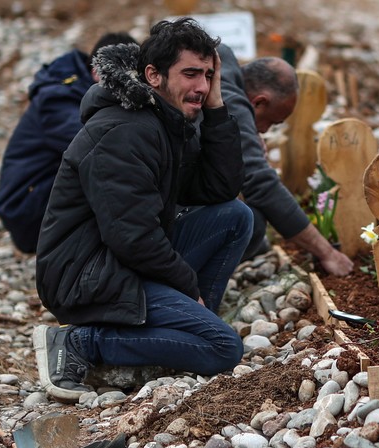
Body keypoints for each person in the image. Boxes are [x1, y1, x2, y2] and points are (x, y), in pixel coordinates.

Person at [33, 18, 252, 402]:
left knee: (235, 217)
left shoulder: (167, 121)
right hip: (87, 273)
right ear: (153, 75)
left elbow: (218, 188)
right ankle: (80, 341)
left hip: (121, 260)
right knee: (225, 349)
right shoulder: (125, 131)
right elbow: (132, 237)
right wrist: (187, 286)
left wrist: (217, 107)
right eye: (190, 74)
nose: (201, 86)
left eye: (208, 75)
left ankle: (177, 334)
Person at [217, 44, 353, 274]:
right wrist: (326, 253)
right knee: (251, 221)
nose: (264, 131)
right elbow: (261, 185)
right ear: (259, 102)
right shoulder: (233, 106)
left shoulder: (220, 67)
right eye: (271, 122)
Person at [0, 32, 137, 253]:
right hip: (25, 208)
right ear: (97, 71)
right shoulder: (57, 99)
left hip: (42, 198)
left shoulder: (78, 88)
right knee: (104, 164)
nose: (128, 88)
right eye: (123, 78)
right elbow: (96, 145)